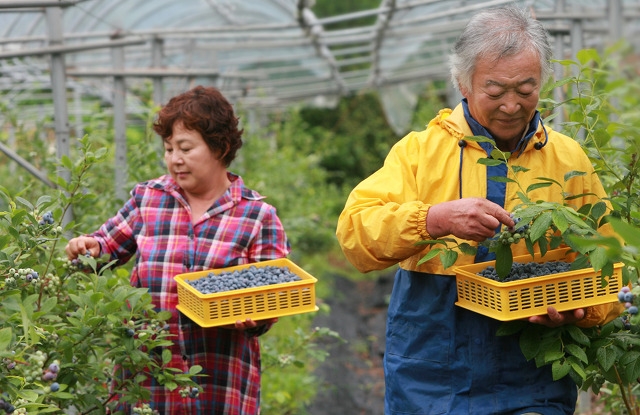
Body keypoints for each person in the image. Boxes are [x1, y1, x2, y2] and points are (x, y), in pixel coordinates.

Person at [335, 5, 623, 415]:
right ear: (462, 83)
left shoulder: (567, 159)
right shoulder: (420, 152)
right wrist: (433, 219)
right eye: (496, 91)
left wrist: (584, 309)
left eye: (525, 90)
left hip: (533, 372)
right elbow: (355, 236)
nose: (511, 105)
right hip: (432, 374)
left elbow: (609, 258)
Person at [65, 85, 290, 414]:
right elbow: (105, 247)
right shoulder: (149, 199)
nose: (175, 159)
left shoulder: (256, 217)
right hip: (145, 380)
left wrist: (235, 312)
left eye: (185, 148)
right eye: (169, 149)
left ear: (220, 147)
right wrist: (87, 248)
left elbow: (270, 303)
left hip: (218, 380)